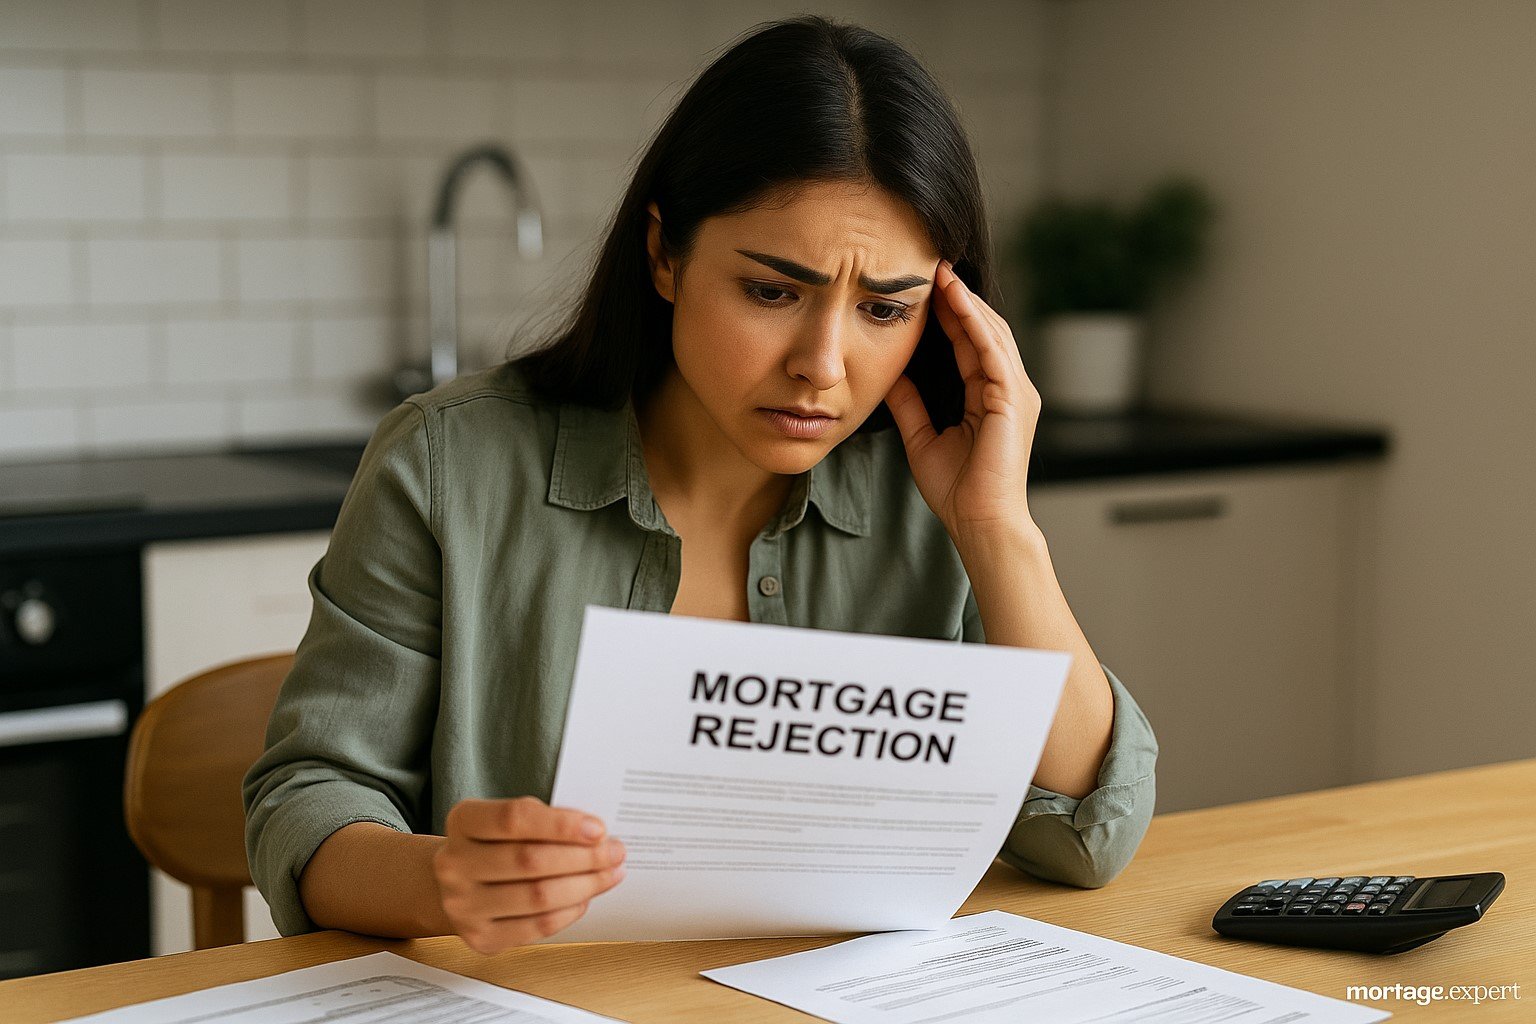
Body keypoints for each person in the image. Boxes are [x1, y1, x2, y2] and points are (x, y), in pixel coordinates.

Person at [243, 15, 1157, 957]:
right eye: (773, 291)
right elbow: (306, 805)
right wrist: (442, 881)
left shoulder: (934, 498)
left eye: (885, 309)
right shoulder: (447, 465)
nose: (824, 365)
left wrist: (997, 528)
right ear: (665, 256)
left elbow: (1087, 834)